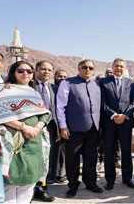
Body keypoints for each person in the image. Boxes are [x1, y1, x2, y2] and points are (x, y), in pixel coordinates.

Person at [0, 60, 50, 204]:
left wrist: (36, 128)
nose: (25, 74)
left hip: (34, 141)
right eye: (21, 71)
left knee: (30, 181)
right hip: (14, 142)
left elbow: (44, 113)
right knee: (11, 182)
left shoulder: (33, 92)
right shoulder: (3, 90)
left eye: (29, 71)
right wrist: (24, 127)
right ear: (13, 73)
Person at [56, 60, 102, 198]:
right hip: (74, 129)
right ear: (79, 68)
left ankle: (90, 183)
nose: (88, 69)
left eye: (91, 68)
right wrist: (63, 126)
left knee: (91, 158)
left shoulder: (96, 85)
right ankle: (73, 185)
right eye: (85, 67)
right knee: (72, 159)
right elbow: (60, 106)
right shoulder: (68, 83)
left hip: (93, 128)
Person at [99, 58, 134, 190]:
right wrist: (114, 115)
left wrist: (125, 115)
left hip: (126, 122)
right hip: (109, 122)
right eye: (116, 66)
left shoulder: (132, 83)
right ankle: (110, 180)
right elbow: (102, 102)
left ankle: (127, 178)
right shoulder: (103, 82)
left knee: (126, 152)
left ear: (125, 68)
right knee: (109, 152)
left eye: (121, 66)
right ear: (112, 67)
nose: (119, 68)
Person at [32, 60, 58, 202]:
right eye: (43, 69)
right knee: (36, 157)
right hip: (34, 127)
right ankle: (34, 188)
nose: (46, 72)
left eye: (49, 70)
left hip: (51, 127)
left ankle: (43, 186)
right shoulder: (30, 86)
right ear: (36, 70)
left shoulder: (54, 88)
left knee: (47, 158)